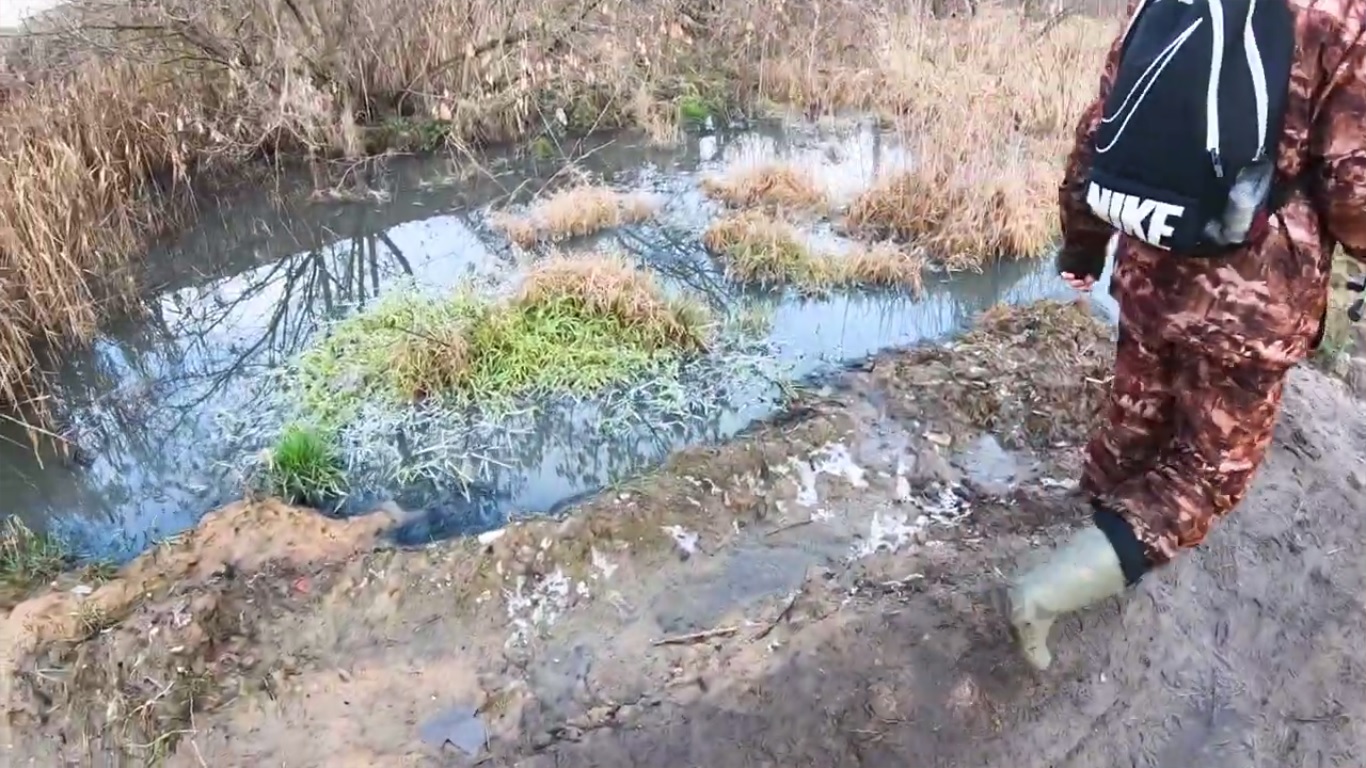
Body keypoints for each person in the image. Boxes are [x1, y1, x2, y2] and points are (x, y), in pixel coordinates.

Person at [1001, 0, 1366, 670]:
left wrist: (1082, 247)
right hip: (1253, 304)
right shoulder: (1341, 19)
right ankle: (1047, 593)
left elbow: (1101, 131)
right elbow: (1354, 194)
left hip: (1149, 269)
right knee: (1208, 470)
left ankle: (1093, 533)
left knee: (1134, 419)